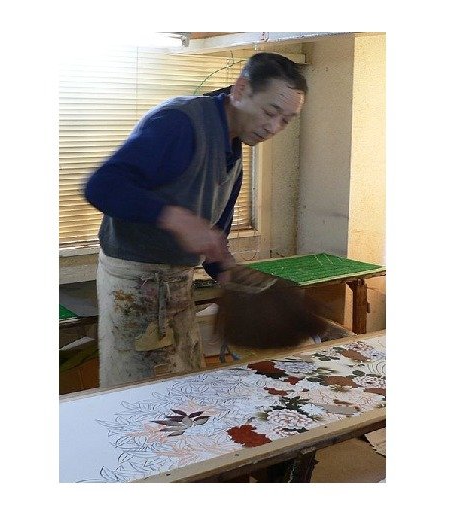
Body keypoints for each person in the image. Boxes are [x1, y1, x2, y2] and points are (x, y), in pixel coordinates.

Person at [84, 52, 308, 387]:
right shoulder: (178, 123)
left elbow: (215, 233)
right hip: (133, 283)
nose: (273, 127)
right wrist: (175, 219)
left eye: (286, 121)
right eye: (270, 112)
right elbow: (101, 186)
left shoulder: (233, 149)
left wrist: (226, 269)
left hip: (177, 283)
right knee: (138, 398)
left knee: (183, 387)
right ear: (241, 89)